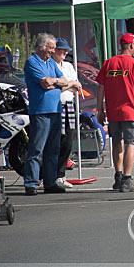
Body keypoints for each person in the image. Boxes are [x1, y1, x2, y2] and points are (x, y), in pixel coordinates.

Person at [96, 33, 134, 192]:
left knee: (117, 142)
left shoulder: (109, 63)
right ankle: (127, 180)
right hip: (129, 112)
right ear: (131, 46)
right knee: (130, 144)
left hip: (113, 112)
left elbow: (100, 87)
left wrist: (100, 110)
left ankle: (118, 176)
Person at [23, 33, 81, 195]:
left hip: (56, 110)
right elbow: (44, 82)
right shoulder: (32, 62)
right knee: (36, 149)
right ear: (42, 47)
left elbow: (61, 80)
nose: (53, 51)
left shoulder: (50, 62)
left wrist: (54, 82)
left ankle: (50, 182)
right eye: (51, 48)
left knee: (53, 149)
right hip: (41, 111)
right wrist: (57, 82)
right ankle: (31, 183)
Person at [53, 38, 82, 190]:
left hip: (69, 105)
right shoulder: (50, 66)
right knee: (55, 142)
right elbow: (53, 88)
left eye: (66, 50)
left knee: (68, 142)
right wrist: (69, 85)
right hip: (55, 106)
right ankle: (52, 175)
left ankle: (61, 175)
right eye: (62, 50)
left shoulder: (69, 66)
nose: (65, 53)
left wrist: (66, 85)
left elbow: (76, 87)